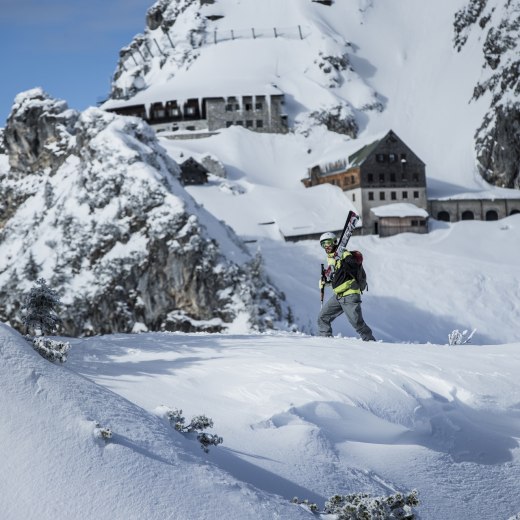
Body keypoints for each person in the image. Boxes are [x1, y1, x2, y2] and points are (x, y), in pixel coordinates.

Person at [317, 231, 375, 341]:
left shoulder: (343, 253)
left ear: (334, 242)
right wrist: (326, 281)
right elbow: (339, 278)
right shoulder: (331, 259)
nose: (326, 246)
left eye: (328, 243)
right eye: (323, 244)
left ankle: (370, 342)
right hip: (338, 296)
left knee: (357, 324)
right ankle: (325, 341)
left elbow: (352, 265)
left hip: (350, 295)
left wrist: (346, 257)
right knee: (322, 317)